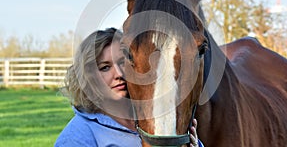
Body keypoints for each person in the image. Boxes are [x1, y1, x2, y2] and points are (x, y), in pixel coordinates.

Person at [54, 27, 203, 147]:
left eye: (122, 63)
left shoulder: (155, 117)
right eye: (105, 67)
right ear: (89, 77)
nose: (119, 73)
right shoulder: (77, 136)